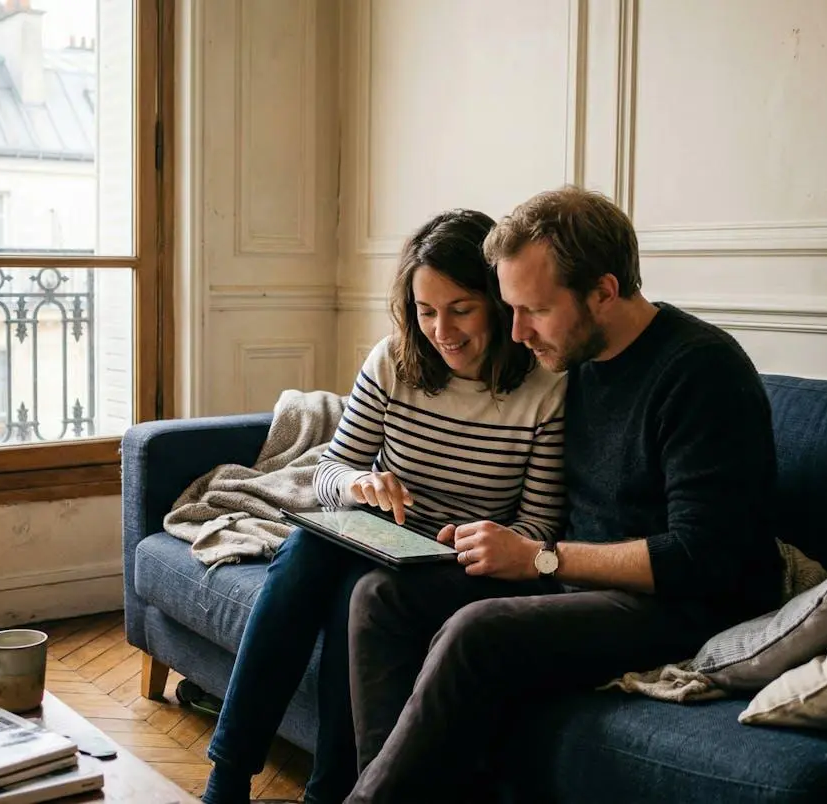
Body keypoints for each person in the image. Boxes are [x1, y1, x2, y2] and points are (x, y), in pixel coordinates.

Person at [343, 186, 786, 804]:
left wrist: (540, 558)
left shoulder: (702, 371)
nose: (517, 331)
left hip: (683, 603)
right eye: (511, 308)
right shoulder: (575, 360)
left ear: (603, 291)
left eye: (535, 310)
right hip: (579, 585)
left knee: (478, 632)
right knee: (381, 596)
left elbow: (703, 556)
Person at [200, 208, 568, 804]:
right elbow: (329, 472)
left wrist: (481, 538)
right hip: (380, 537)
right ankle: (229, 774)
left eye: (461, 309)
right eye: (426, 311)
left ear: (498, 302)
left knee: (356, 594)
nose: (442, 331)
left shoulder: (545, 389)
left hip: (457, 565)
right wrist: (359, 486)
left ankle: (327, 791)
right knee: (306, 551)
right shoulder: (394, 361)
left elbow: (540, 525)